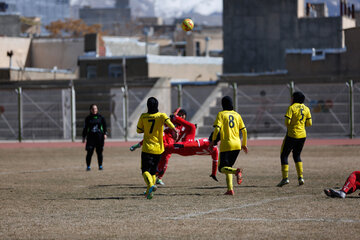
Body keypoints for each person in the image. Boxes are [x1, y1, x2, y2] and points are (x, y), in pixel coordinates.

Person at [131, 108, 219, 186]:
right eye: (179, 115)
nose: (180, 116)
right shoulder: (173, 123)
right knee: (159, 150)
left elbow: (189, 132)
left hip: (178, 144)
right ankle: (154, 172)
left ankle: (158, 177)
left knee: (165, 157)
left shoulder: (186, 127)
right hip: (168, 140)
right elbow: (167, 122)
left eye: (182, 115)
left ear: (185, 116)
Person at [136, 97, 178, 199]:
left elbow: (139, 130)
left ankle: (150, 185)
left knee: (145, 170)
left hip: (147, 148)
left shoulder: (143, 116)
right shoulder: (161, 116)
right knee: (153, 171)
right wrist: (175, 131)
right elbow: (170, 124)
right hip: (159, 148)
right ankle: (149, 192)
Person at [210, 96, 248, 196]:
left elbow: (217, 129)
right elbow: (244, 130)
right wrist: (244, 144)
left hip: (227, 144)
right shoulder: (237, 115)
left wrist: (213, 141)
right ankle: (230, 189)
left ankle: (237, 171)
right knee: (228, 167)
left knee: (221, 168)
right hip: (237, 145)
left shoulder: (221, 114)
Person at [277, 91, 312, 187]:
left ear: (295, 98)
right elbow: (309, 123)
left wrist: (293, 124)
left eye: (292, 97)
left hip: (292, 135)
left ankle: (285, 178)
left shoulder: (291, 108)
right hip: (302, 136)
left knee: (284, 155)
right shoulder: (306, 108)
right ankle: (301, 177)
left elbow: (287, 122)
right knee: (297, 156)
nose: (291, 99)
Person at [82, 104, 107, 171]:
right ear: (90, 110)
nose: (94, 110)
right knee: (89, 152)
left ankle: (100, 166)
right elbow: (85, 128)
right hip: (90, 138)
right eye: (93, 109)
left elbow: (104, 126)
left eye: (95, 109)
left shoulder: (101, 117)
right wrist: (83, 137)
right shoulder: (88, 118)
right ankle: (88, 167)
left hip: (99, 138)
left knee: (99, 152)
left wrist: (105, 133)